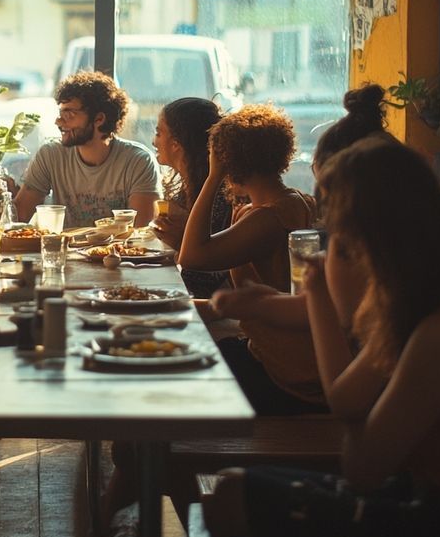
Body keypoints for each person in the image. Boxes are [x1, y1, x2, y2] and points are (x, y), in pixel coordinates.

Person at [206, 138, 440, 537]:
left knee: (234, 498)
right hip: (438, 501)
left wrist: (319, 297)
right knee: (230, 490)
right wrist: (282, 302)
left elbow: (362, 467)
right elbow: (348, 401)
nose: (329, 250)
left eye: (335, 237)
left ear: (368, 245)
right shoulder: (423, 305)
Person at [202, 85, 389, 358]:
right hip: (283, 352)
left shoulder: (275, 218)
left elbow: (194, 255)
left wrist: (258, 305)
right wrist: (256, 304)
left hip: (283, 366)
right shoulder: (302, 211)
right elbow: (307, 308)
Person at [179, 104, 323, 414]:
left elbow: (191, 256)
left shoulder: (268, 219)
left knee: (164, 381)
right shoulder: (297, 200)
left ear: (229, 160)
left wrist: (213, 176)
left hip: (278, 369)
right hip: (275, 350)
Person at [4, 70, 160, 228]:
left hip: (117, 252)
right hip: (63, 251)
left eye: (69, 114)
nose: (59, 121)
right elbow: (20, 216)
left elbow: (141, 231)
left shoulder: (138, 161)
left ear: (99, 119)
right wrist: (0, 191)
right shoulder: (50, 156)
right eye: (60, 113)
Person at [150, 96, 232, 297]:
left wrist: (181, 242)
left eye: (159, 133)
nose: (153, 141)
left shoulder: (221, 196)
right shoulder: (183, 191)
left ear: (176, 144)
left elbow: (206, 281)